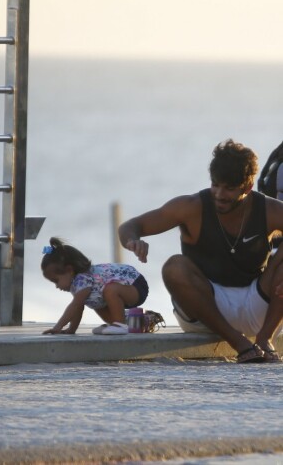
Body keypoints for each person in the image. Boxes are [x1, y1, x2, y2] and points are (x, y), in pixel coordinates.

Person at [118, 139, 283, 363]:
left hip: (256, 305)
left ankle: (265, 339)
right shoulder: (191, 206)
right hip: (203, 312)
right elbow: (129, 226)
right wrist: (133, 241)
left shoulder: (269, 210)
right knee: (174, 266)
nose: (219, 194)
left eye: (229, 188)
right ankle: (239, 343)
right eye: (216, 185)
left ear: (247, 187)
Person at [40, 236, 149, 335]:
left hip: (135, 285)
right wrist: (71, 330)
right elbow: (78, 309)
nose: (57, 286)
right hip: (124, 290)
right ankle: (136, 320)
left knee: (110, 290)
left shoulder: (83, 278)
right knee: (95, 302)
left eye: (56, 281)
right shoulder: (77, 287)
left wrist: (58, 327)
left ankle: (120, 325)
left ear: (69, 270)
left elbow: (75, 305)